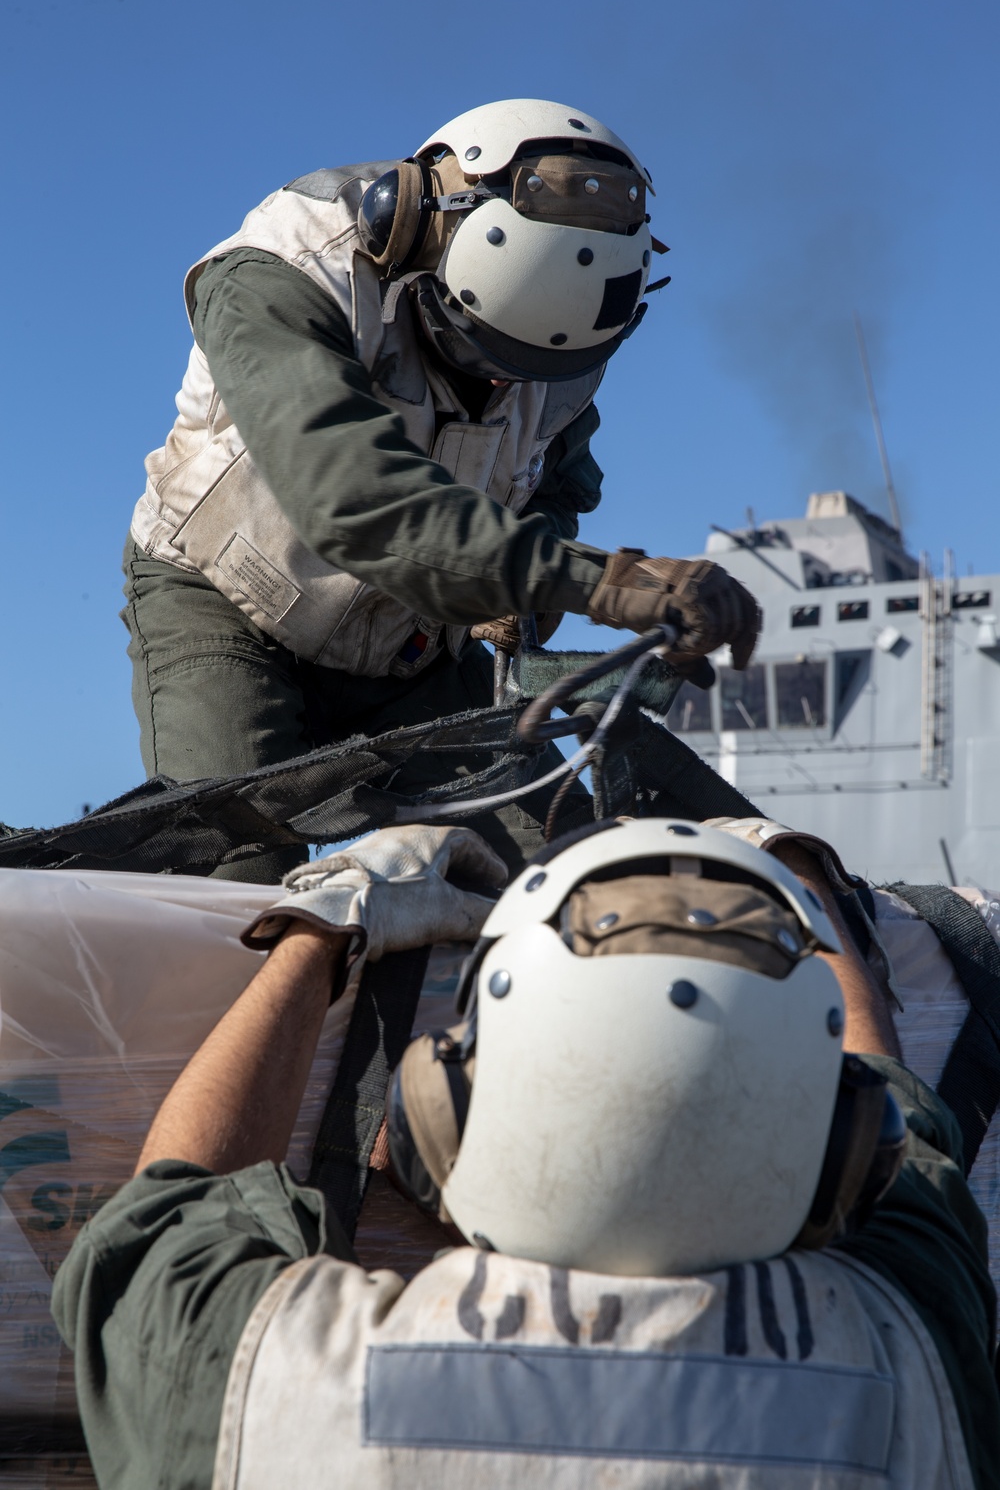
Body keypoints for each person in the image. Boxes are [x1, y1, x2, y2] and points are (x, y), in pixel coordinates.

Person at [53, 820, 999, 1488]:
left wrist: (327, 930)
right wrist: (804, 896)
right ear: (839, 1154)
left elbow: (161, 1216)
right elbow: (902, 1129)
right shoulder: (910, 1361)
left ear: (442, 1123)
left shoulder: (284, 1379)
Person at [122, 98, 760, 881]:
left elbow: (555, 492)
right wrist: (613, 585)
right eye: (475, 345)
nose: (501, 378)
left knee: (560, 878)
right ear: (424, 228)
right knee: (236, 888)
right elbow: (358, 503)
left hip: (415, 650)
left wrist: (520, 594)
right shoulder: (281, 273)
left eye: (526, 364)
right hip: (230, 601)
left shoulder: (565, 335)